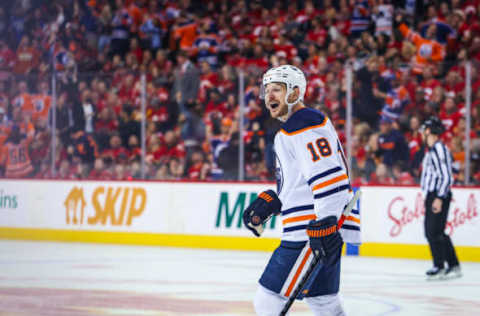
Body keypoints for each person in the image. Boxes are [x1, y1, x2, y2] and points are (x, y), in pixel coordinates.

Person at [242, 65, 360, 316]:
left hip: (308, 232)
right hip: (317, 228)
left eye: (277, 90)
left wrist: (326, 222)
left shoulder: (303, 123)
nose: (269, 96)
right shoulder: (296, 126)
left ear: (295, 93)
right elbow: (306, 180)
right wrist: (274, 202)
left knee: (267, 300)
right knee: (324, 303)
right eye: (267, 90)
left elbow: (329, 176)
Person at [420, 116, 461, 280]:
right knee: (436, 231)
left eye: (424, 130)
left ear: (429, 131)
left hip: (438, 194)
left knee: (433, 232)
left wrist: (439, 197)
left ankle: (441, 266)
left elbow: (446, 176)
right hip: (435, 194)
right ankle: (451, 265)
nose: (422, 133)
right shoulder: (434, 150)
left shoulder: (438, 149)